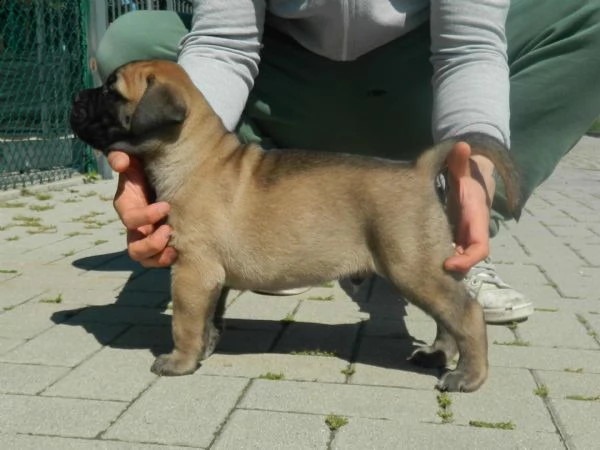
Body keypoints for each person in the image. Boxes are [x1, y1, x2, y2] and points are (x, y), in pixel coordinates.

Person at [94, 1, 600, 324]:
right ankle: (271, 233)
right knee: (132, 43)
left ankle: (446, 236)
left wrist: (478, 161)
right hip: (287, 80)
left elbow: (467, 47)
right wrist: (166, 172)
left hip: (411, 82)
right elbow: (225, 44)